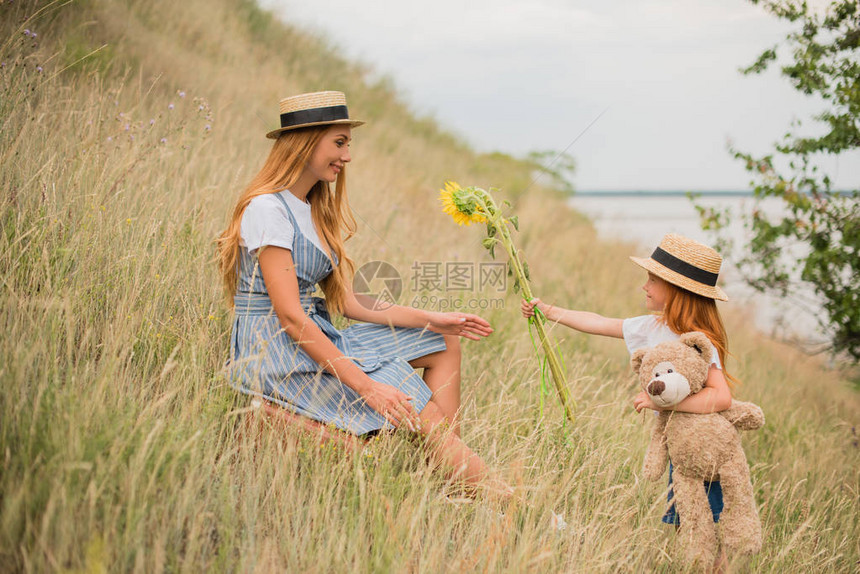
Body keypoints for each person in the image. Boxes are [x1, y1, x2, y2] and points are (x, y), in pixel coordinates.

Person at [218, 91, 507, 495]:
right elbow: (290, 316)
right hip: (275, 349)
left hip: (314, 333)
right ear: (305, 141)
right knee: (397, 387)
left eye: (347, 144)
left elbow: (346, 303)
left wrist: (432, 318)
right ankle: (496, 495)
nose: (348, 155)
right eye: (339, 142)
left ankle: (447, 468)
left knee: (443, 340)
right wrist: (367, 386)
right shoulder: (268, 209)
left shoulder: (311, 206)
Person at [522, 233, 737, 570]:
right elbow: (600, 322)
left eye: (653, 279)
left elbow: (721, 396)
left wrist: (663, 404)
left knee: (708, 528)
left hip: (707, 446)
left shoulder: (697, 339)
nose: (645, 286)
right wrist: (547, 311)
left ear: (677, 290)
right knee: (686, 523)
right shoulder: (655, 327)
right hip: (680, 448)